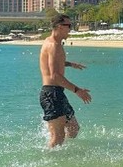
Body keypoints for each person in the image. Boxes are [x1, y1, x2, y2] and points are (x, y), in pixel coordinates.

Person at [39, 13, 91, 148]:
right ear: (59, 26)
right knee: (58, 137)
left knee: (73, 129)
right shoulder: (54, 45)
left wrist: (68, 64)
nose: (70, 29)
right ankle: (49, 161)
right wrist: (77, 90)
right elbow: (55, 75)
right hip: (51, 94)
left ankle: (60, 153)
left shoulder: (51, 42)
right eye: (68, 25)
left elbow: (52, 62)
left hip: (56, 93)